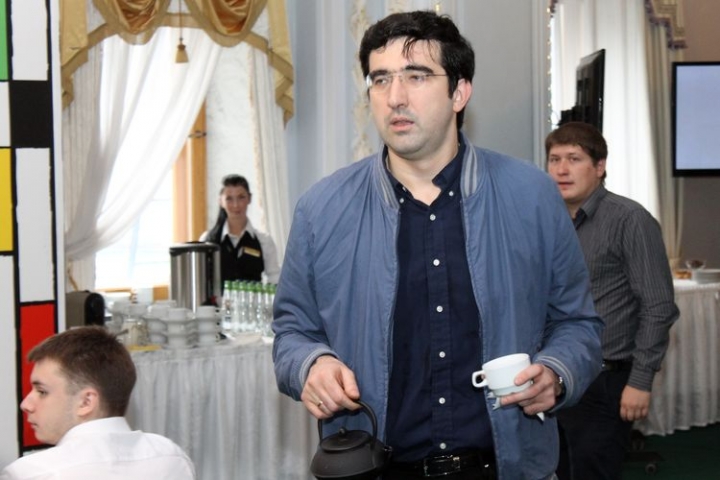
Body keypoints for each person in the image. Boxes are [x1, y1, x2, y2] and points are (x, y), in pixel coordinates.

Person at [273, 10, 603, 480]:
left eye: (417, 76)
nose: (395, 96)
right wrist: (312, 364)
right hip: (375, 466)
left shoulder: (531, 196)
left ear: (460, 92)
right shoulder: (321, 209)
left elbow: (577, 324)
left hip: (505, 466)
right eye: (381, 79)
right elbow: (292, 332)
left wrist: (556, 371)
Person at [545, 121, 679, 480]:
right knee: (556, 471)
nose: (562, 169)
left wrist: (640, 381)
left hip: (605, 382)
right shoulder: (549, 220)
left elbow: (659, 307)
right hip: (554, 376)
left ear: (599, 166)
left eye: (574, 159)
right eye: (555, 159)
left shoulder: (630, 219)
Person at [0, 326, 195, 480]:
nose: (26, 404)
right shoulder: (172, 458)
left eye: (42, 392)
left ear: (86, 402)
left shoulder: (31, 473)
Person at [200, 174, 280, 284]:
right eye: (229, 199)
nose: (236, 205)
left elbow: (275, 277)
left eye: (241, 197)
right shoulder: (207, 240)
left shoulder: (264, 241)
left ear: (249, 199)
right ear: (221, 202)